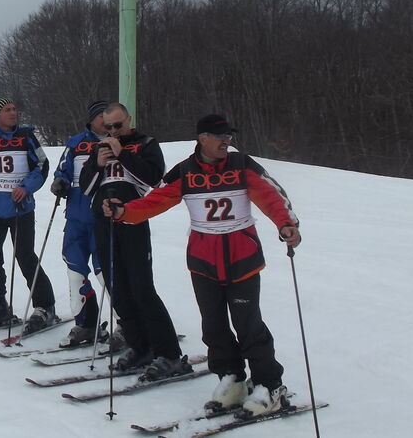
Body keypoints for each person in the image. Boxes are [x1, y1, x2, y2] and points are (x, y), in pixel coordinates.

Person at [103, 114, 301, 417]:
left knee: (248, 325)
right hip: (203, 262)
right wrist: (124, 212)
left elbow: (272, 196)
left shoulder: (242, 164)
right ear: (202, 138)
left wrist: (286, 224)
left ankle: (269, 385)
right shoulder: (185, 171)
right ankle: (231, 379)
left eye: (229, 137)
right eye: (220, 137)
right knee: (213, 325)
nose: (226, 142)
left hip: (242, 259)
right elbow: (156, 200)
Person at [79, 102, 188, 380]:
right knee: (118, 290)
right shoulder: (99, 148)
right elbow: (87, 188)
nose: (114, 131)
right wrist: (97, 163)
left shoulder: (145, 144)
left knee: (142, 289)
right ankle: (140, 347)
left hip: (133, 220)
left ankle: (169, 353)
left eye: (118, 125)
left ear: (128, 120)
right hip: (103, 222)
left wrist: (123, 154)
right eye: (108, 127)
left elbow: (154, 179)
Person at [0, 98, 57, 333]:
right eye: (8, 110)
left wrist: (26, 187)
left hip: (21, 209)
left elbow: (42, 165)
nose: (13, 113)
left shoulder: (26, 137)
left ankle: (45, 306)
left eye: (14, 109)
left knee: (25, 257)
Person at [50, 100, 111, 347]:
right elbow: (62, 169)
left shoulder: (117, 142)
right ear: (92, 119)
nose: (105, 121)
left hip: (104, 219)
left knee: (106, 274)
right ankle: (86, 324)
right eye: (101, 116)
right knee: (75, 273)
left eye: (108, 116)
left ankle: (127, 326)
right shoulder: (76, 142)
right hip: (76, 218)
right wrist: (59, 182)